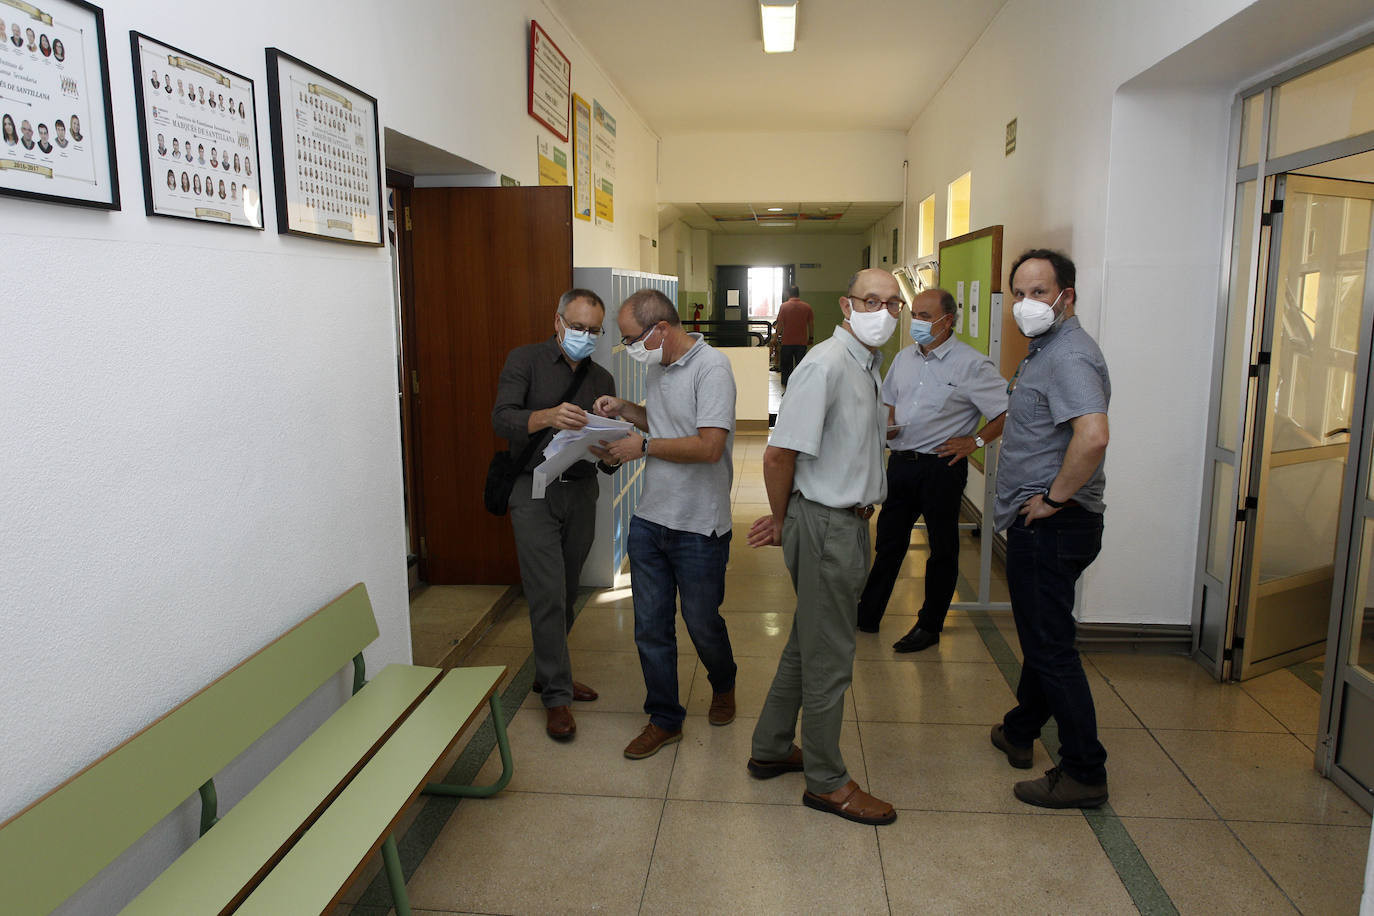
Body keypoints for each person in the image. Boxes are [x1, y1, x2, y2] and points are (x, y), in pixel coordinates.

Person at [746, 268, 901, 826]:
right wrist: (786, 522)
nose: (881, 312)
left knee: (805, 641)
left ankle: (770, 745)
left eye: (891, 303)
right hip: (827, 525)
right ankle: (826, 781)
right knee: (830, 655)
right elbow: (777, 455)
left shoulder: (865, 364)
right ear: (845, 304)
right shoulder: (827, 365)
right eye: (870, 301)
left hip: (845, 522)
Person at [590, 289, 739, 760]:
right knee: (650, 627)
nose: (627, 345)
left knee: (700, 622)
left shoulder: (712, 368)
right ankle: (664, 719)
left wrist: (644, 448)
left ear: (660, 330)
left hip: (699, 525)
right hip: (651, 519)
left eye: (629, 337)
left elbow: (709, 446)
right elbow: (663, 421)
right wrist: (625, 411)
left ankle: (723, 681)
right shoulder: (656, 367)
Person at [990, 249, 1111, 810]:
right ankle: (1020, 729)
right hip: (1049, 525)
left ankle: (1084, 769)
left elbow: (1092, 436)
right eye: (1018, 293)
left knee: (1051, 647)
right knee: (1044, 636)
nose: (1026, 304)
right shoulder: (1044, 351)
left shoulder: (1069, 356)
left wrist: (1053, 500)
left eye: (1039, 292)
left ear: (1067, 296)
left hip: (1052, 528)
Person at [492, 289, 617, 742]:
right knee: (545, 592)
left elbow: (604, 448)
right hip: (533, 490)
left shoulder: (601, 376)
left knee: (566, 589)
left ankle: (550, 673)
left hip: (580, 491)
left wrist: (613, 453)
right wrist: (547, 416)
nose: (584, 336)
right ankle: (556, 697)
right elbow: (502, 419)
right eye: (577, 326)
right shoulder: (524, 360)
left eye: (593, 330)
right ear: (558, 320)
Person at [856, 288, 1008, 651]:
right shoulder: (904, 359)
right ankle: (868, 614)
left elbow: (1006, 411)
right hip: (903, 464)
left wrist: (975, 443)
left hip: (942, 467)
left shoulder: (972, 364)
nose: (917, 323)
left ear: (948, 321)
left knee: (942, 549)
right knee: (889, 543)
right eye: (915, 315)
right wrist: (889, 429)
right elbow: (889, 402)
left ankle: (930, 624)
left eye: (926, 316)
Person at [775, 285, 814, 387]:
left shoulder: (784, 306)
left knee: (786, 368)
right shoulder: (807, 307)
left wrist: (775, 338)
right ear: (798, 293)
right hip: (801, 343)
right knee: (800, 367)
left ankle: (787, 389)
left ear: (788, 293)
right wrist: (811, 338)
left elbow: (780, 324)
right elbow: (810, 324)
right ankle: (799, 388)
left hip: (787, 342)